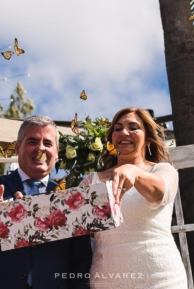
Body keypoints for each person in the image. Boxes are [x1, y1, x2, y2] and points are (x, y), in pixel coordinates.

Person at [0, 115, 92, 289]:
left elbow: (81, 261)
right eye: (32, 142)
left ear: (57, 152)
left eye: (47, 144)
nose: (40, 149)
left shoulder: (72, 199)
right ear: (17, 148)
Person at [79, 107, 187, 289]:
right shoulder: (92, 180)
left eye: (133, 127)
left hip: (162, 279)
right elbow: (68, 223)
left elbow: (160, 193)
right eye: (118, 128)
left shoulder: (162, 171)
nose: (124, 132)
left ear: (148, 137)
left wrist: (134, 171)